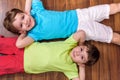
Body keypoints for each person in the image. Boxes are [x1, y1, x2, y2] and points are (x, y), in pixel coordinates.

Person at [4, 0, 120, 48]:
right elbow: (19, 44)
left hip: (80, 14)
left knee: (113, 7)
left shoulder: (36, 12)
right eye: (21, 25)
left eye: (23, 17)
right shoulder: (34, 35)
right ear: (21, 31)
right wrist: (23, 33)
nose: (26, 21)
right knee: (114, 38)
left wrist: (27, 11)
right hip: (81, 29)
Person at [0, 30, 99, 80]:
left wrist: (81, 67)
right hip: (25, 46)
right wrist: (81, 44)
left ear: (81, 63)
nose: (78, 53)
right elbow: (81, 33)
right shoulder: (70, 44)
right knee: (2, 43)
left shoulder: (70, 68)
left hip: (23, 64)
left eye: (82, 57)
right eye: (81, 49)